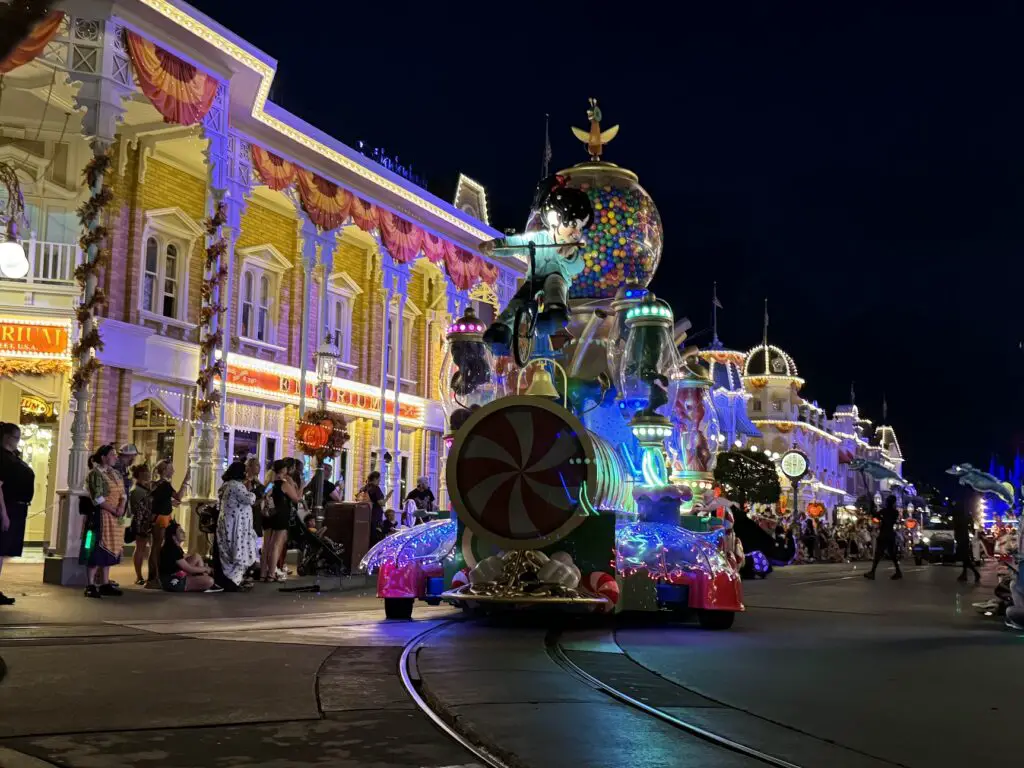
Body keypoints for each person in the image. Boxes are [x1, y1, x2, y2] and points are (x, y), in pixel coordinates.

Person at [481, 174, 594, 352]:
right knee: (518, 301)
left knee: (554, 282)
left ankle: (554, 313)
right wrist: (494, 245)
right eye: (573, 224)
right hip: (534, 279)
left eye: (580, 227)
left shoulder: (570, 247)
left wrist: (570, 255)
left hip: (557, 282)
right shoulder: (537, 238)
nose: (576, 232)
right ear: (555, 219)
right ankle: (502, 331)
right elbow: (514, 244)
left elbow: (577, 266)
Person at [84, 444, 127, 598]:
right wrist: (113, 509)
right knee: (95, 548)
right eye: (112, 455)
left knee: (110, 548)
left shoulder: (116, 474)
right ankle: (90, 584)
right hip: (100, 516)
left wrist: (121, 507)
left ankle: (105, 583)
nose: (116, 457)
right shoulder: (95, 474)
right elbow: (97, 498)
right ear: (103, 457)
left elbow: (123, 493)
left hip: (115, 516)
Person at [0, 423, 34, 606]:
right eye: (17, 437)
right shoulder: (3, 458)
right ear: (7, 437)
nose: (18, 441)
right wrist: (3, 514)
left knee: (4, 550)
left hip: (17, 507)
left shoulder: (13, 457)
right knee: (0, 548)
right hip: (8, 506)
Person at [214, 461, 258, 590]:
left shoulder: (227, 485)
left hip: (230, 524)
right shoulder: (236, 486)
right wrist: (252, 492)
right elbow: (249, 499)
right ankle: (232, 582)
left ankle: (233, 581)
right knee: (237, 551)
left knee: (228, 552)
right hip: (235, 527)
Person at [148, 459, 190, 588]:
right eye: (171, 469)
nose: (173, 471)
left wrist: (169, 503)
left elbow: (158, 500)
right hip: (162, 518)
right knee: (157, 547)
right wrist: (185, 481)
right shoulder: (165, 484)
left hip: (157, 517)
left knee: (155, 547)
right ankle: (155, 578)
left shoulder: (156, 484)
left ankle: (153, 576)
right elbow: (178, 496)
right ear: (165, 471)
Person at [262, 458, 300, 582]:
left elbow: (264, 495)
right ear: (284, 470)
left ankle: (263, 573)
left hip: (270, 514)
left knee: (266, 545)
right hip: (281, 514)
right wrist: (300, 486)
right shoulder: (284, 484)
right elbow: (296, 498)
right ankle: (271, 574)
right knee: (276, 545)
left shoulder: (271, 483)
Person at [158, 520, 221, 593]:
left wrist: (203, 567)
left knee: (196, 556)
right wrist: (206, 569)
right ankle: (204, 582)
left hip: (176, 574)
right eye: (180, 531)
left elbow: (186, 558)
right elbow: (189, 569)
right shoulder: (172, 549)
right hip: (172, 581)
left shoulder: (176, 548)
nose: (184, 533)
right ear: (174, 537)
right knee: (210, 581)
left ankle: (202, 579)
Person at [128, 464, 155, 585]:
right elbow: (138, 509)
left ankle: (148, 574)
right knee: (140, 547)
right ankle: (139, 575)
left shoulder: (143, 488)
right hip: (142, 521)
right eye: (146, 472)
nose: (148, 475)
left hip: (148, 521)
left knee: (146, 548)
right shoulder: (136, 490)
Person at [865, 495, 903, 580]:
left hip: (884, 534)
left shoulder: (885, 511)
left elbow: (875, 515)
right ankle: (898, 571)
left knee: (878, 554)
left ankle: (872, 572)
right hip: (890, 535)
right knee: (892, 554)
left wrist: (872, 507)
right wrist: (872, 506)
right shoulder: (895, 512)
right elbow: (876, 516)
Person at [953, 504, 981, 583]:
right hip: (964, 538)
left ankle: (975, 573)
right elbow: (971, 525)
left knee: (965, 558)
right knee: (965, 558)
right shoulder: (966, 516)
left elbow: (957, 528)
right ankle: (964, 574)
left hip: (961, 538)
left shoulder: (958, 517)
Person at [361, 471, 391, 545]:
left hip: (366, 514)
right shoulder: (376, 488)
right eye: (379, 479)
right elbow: (381, 503)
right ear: (375, 478)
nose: (379, 481)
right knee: (377, 537)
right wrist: (388, 497)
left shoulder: (365, 487)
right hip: (375, 515)